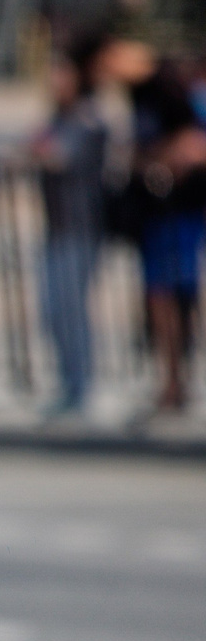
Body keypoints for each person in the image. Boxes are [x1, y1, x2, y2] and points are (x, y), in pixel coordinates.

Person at [102, 39, 206, 418]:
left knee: (175, 297)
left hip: (179, 213)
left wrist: (154, 159)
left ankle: (176, 381)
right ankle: (170, 380)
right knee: (159, 299)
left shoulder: (173, 93)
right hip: (155, 215)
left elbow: (194, 146)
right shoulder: (140, 96)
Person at [27, 43, 109, 418]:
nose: (54, 81)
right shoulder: (58, 118)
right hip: (56, 227)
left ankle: (80, 388)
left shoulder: (88, 120)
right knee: (51, 311)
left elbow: (55, 155)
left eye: (61, 73)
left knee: (71, 310)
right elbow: (32, 146)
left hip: (81, 227)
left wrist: (39, 149)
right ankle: (67, 383)